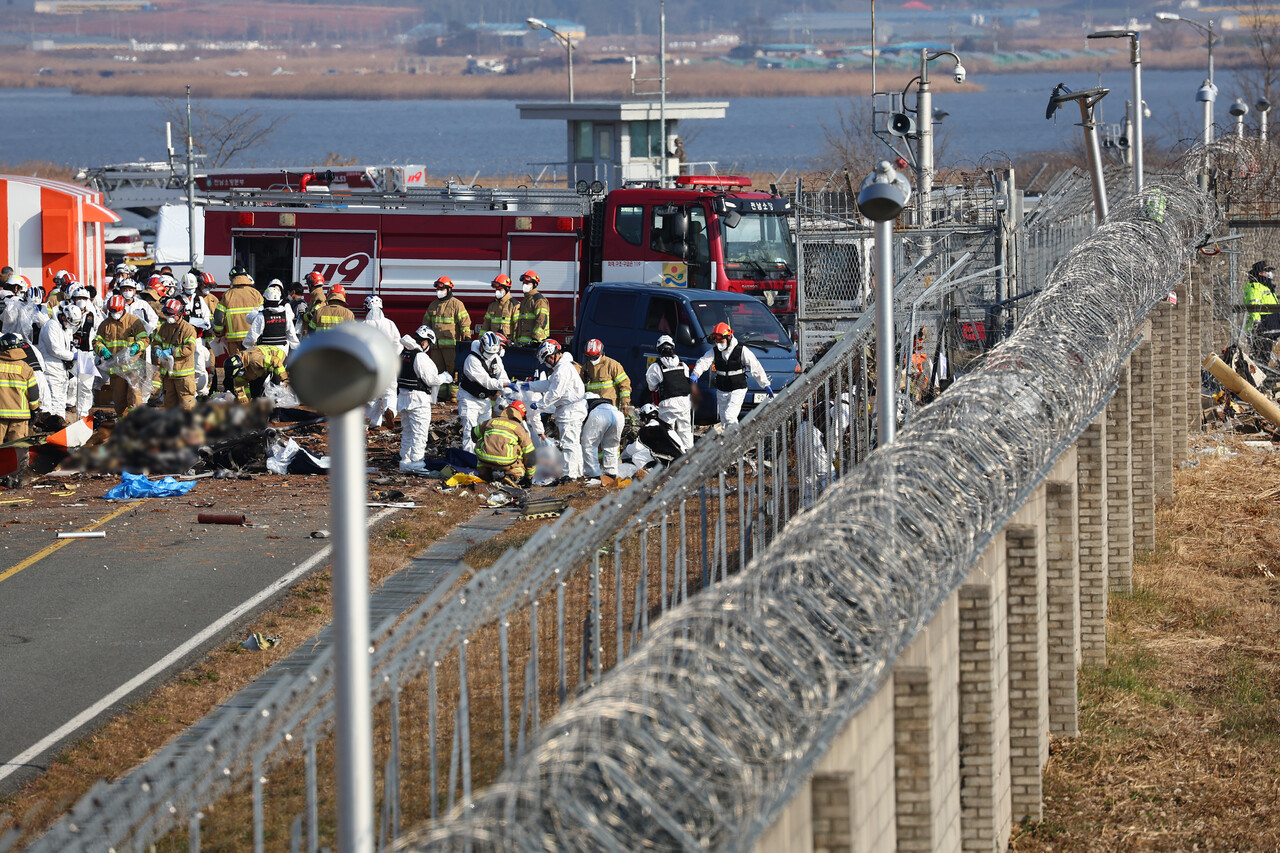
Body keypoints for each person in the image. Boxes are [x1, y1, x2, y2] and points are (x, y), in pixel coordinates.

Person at [520, 339, 587, 483]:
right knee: (574, 442)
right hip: (572, 409)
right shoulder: (562, 368)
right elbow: (548, 384)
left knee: (569, 442)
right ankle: (577, 473)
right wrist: (529, 386)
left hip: (570, 411)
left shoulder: (562, 370)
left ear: (551, 356)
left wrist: (539, 405)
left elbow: (555, 393)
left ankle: (569, 476)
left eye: (546, 360)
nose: (547, 363)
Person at [692, 321, 773, 426]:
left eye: (721, 340)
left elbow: (756, 367)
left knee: (730, 416)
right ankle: (730, 441)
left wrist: (765, 384)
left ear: (729, 337)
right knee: (724, 421)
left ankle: (736, 439)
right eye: (717, 341)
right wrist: (696, 373)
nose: (719, 343)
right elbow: (704, 361)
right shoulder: (715, 351)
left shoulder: (742, 350)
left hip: (738, 388)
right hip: (722, 389)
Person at [396, 325, 451, 473]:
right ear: (425, 342)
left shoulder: (403, 353)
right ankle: (416, 463)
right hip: (418, 400)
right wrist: (445, 377)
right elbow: (431, 379)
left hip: (403, 398)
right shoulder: (420, 357)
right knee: (420, 433)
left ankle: (405, 461)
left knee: (407, 432)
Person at [94, 293, 149, 416]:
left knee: (134, 397)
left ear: (123, 308)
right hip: (116, 369)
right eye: (112, 311)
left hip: (133, 367)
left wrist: (137, 346)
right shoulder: (105, 325)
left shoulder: (134, 322)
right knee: (119, 401)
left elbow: (145, 339)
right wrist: (102, 350)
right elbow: (96, 341)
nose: (114, 313)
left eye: (116, 311)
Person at [458, 330, 510, 454]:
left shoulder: (495, 357)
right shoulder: (472, 360)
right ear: (481, 347)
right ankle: (469, 460)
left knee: (486, 430)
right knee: (470, 430)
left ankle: (482, 460)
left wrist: (508, 391)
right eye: (487, 353)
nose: (490, 356)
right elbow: (487, 382)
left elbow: (502, 375)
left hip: (484, 399)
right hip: (469, 398)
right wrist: (505, 384)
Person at [421, 275, 470, 402]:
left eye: (441, 289)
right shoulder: (433, 305)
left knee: (453, 370)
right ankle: (441, 394)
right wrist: (423, 339)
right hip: (436, 346)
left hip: (451, 346)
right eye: (437, 289)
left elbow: (464, 323)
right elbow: (426, 324)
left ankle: (454, 395)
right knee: (438, 370)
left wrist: (466, 337)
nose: (439, 291)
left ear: (449, 289)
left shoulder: (457, 304)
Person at [645, 334, 694, 452]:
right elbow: (686, 380)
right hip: (685, 402)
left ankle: (672, 453)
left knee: (667, 429)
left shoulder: (656, 367)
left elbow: (652, 387)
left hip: (668, 403)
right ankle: (689, 454)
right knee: (685, 429)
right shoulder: (682, 364)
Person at [472, 399, 536, 485]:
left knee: (482, 445)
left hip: (484, 460)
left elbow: (474, 433)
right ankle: (511, 476)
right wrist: (529, 477)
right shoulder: (520, 429)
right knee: (520, 454)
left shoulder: (490, 421)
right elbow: (530, 456)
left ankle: (485, 477)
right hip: (506, 462)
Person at [363, 295, 403, 429]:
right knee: (390, 391)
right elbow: (399, 343)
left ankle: (375, 422)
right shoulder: (390, 324)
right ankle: (390, 409)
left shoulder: (364, 325)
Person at [152, 297, 198, 411]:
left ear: (178, 314)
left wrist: (171, 352)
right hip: (168, 374)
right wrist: (157, 349)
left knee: (186, 404)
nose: (168, 317)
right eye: (167, 314)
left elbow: (189, 349)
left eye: (171, 314)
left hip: (183, 375)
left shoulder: (188, 329)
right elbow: (156, 342)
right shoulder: (164, 327)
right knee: (169, 403)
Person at [37, 301, 78, 421]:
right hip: (51, 367)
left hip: (61, 369)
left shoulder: (62, 327)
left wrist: (75, 353)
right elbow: (54, 349)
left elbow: (67, 345)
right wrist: (72, 356)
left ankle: (60, 426)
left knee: (61, 400)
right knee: (54, 400)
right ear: (63, 317)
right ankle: (53, 426)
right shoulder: (51, 326)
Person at [65, 285, 100, 419]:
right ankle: (66, 409)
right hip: (71, 352)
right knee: (70, 383)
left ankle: (83, 414)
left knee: (86, 385)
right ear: (73, 299)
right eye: (78, 298)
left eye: (84, 298)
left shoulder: (92, 314)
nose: (81, 300)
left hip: (87, 353)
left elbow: (97, 330)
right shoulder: (66, 312)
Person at [0, 333, 39, 446]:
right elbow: (33, 393)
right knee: (18, 450)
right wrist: (35, 409)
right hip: (20, 417)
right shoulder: (26, 368)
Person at [244, 281, 299, 360]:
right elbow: (292, 335)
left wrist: (246, 346)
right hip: (281, 353)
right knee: (281, 370)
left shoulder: (261, 316)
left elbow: (253, 336)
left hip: (265, 352)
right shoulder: (285, 315)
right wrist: (297, 348)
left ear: (265, 300)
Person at [579, 338, 632, 413]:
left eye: (594, 357)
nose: (592, 360)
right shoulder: (586, 367)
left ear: (601, 353)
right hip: (593, 409)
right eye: (589, 357)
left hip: (610, 409)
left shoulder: (612, 365)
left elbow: (625, 385)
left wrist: (625, 403)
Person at [581, 393, 624, 485]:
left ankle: (593, 475)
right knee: (612, 445)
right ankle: (611, 473)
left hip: (599, 414)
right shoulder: (604, 401)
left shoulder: (584, 402)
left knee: (589, 445)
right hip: (617, 413)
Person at [1245, 260, 1278, 359]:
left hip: (1270, 326)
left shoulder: (1266, 287)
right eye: (1266, 271)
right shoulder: (1255, 287)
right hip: (1262, 326)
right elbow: (1254, 304)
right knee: (1261, 356)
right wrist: (1256, 320)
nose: (1269, 274)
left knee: (1268, 355)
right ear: (1260, 273)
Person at [513, 270, 550, 347]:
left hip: (534, 344)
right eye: (523, 283)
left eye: (527, 283)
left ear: (535, 284)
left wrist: (535, 339)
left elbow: (541, 320)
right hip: (523, 343)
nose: (524, 285)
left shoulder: (539, 300)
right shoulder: (525, 300)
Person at [481, 273, 518, 338]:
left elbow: (517, 327)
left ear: (507, 289)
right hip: (493, 343)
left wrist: (515, 344)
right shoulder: (492, 305)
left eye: (500, 289)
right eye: (496, 289)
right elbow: (486, 325)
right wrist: (480, 340)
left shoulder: (514, 305)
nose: (497, 292)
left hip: (508, 343)